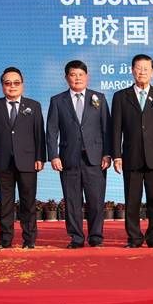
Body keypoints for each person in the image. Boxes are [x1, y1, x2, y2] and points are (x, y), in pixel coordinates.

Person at [47, 60, 111, 248]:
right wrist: (54, 155)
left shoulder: (99, 98)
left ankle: (96, 237)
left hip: (95, 159)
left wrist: (107, 154)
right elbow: (51, 131)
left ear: (87, 77)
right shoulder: (57, 101)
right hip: (68, 158)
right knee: (72, 201)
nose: (77, 78)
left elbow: (106, 129)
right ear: (66, 78)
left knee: (96, 200)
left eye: (81, 75)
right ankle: (76, 238)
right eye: (73, 75)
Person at [112, 54, 153, 248]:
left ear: (152, 72)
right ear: (132, 70)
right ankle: (134, 238)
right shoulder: (121, 97)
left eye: (146, 69)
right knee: (132, 201)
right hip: (131, 156)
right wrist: (117, 155)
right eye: (138, 68)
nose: (142, 72)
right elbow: (116, 129)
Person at [0, 67, 46, 249]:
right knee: (5, 203)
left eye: (16, 83)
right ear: (2, 85)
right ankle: (5, 239)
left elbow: (39, 134)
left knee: (28, 202)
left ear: (22, 85)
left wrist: (40, 157)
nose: (12, 86)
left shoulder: (33, 106)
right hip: (2, 161)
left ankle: (29, 239)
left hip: (28, 161)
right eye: (8, 83)